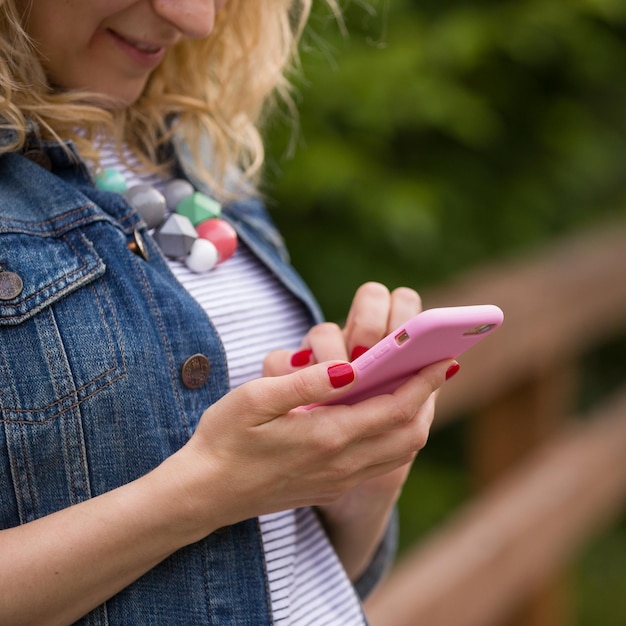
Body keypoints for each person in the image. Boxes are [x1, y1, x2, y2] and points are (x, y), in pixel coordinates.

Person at [0, 1, 460, 624]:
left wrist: (358, 485)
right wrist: (202, 493)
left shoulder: (191, 159)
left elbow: (293, 574)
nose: (196, 19)